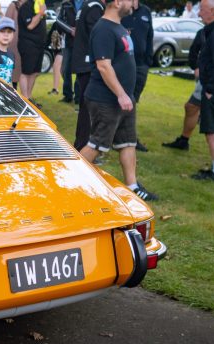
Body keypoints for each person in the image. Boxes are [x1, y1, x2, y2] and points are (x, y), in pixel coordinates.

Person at [79, 0, 158, 201]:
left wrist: (126, 95)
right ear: (116, 2)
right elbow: (104, 66)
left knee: (128, 142)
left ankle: (132, 186)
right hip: (106, 99)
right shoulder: (103, 29)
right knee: (97, 144)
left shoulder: (119, 26)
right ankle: (72, 181)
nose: (133, 3)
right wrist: (121, 94)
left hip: (124, 99)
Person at [191, 0, 214, 182]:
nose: (198, 14)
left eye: (202, 10)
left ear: (212, 11)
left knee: (213, 130)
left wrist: (210, 88)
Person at [163, 27, 206, 150]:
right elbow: (194, 50)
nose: (201, 14)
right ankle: (184, 140)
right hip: (207, 78)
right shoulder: (204, 31)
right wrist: (196, 66)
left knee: (194, 107)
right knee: (191, 107)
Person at [72, 0, 106, 150]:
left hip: (82, 62)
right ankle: (83, 146)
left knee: (85, 108)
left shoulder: (86, 6)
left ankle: (81, 144)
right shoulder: (95, 7)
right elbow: (97, 35)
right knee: (89, 109)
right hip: (88, 64)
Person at [121, 0, 153, 152]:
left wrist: (148, 61)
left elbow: (149, 36)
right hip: (124, 62)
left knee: (133, 101)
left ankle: (128, 137)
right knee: (124, 100)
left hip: (141, 65)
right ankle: (126, 137)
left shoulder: (146, 11)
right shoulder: (121, 10)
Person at [17, 0, 46, 104]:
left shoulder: (39, 3)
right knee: (26, 71)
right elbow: (30, 25)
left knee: (35, 72)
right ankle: (25, 99)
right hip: (28, 44)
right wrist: (40, 13)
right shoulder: (26, 6)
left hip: (39, 44)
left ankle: (29, 98)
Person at [57, 0, 79, 103]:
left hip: (83, 42)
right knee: (65, 69)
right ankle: (68, 95)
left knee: (81, 70)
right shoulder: (66, 4)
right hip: (69, 41)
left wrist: (80, 30)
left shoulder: (87, 3)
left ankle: (79, 96)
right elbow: (59, 20)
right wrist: (70, 30)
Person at [5, 0, 22, 89]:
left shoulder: (29, 6)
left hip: (23, 42)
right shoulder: (13, 6)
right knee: (11, 67)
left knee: (18, 68)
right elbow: (6, 24)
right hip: (12, 43)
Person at [47, 22, 64, 96]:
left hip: (64, 48)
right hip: (57, 49)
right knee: (60, 69)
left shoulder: (68, 22)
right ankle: (58, 89)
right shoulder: (56, 24)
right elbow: (49, 36)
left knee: (56, 65)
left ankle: (55, 89)